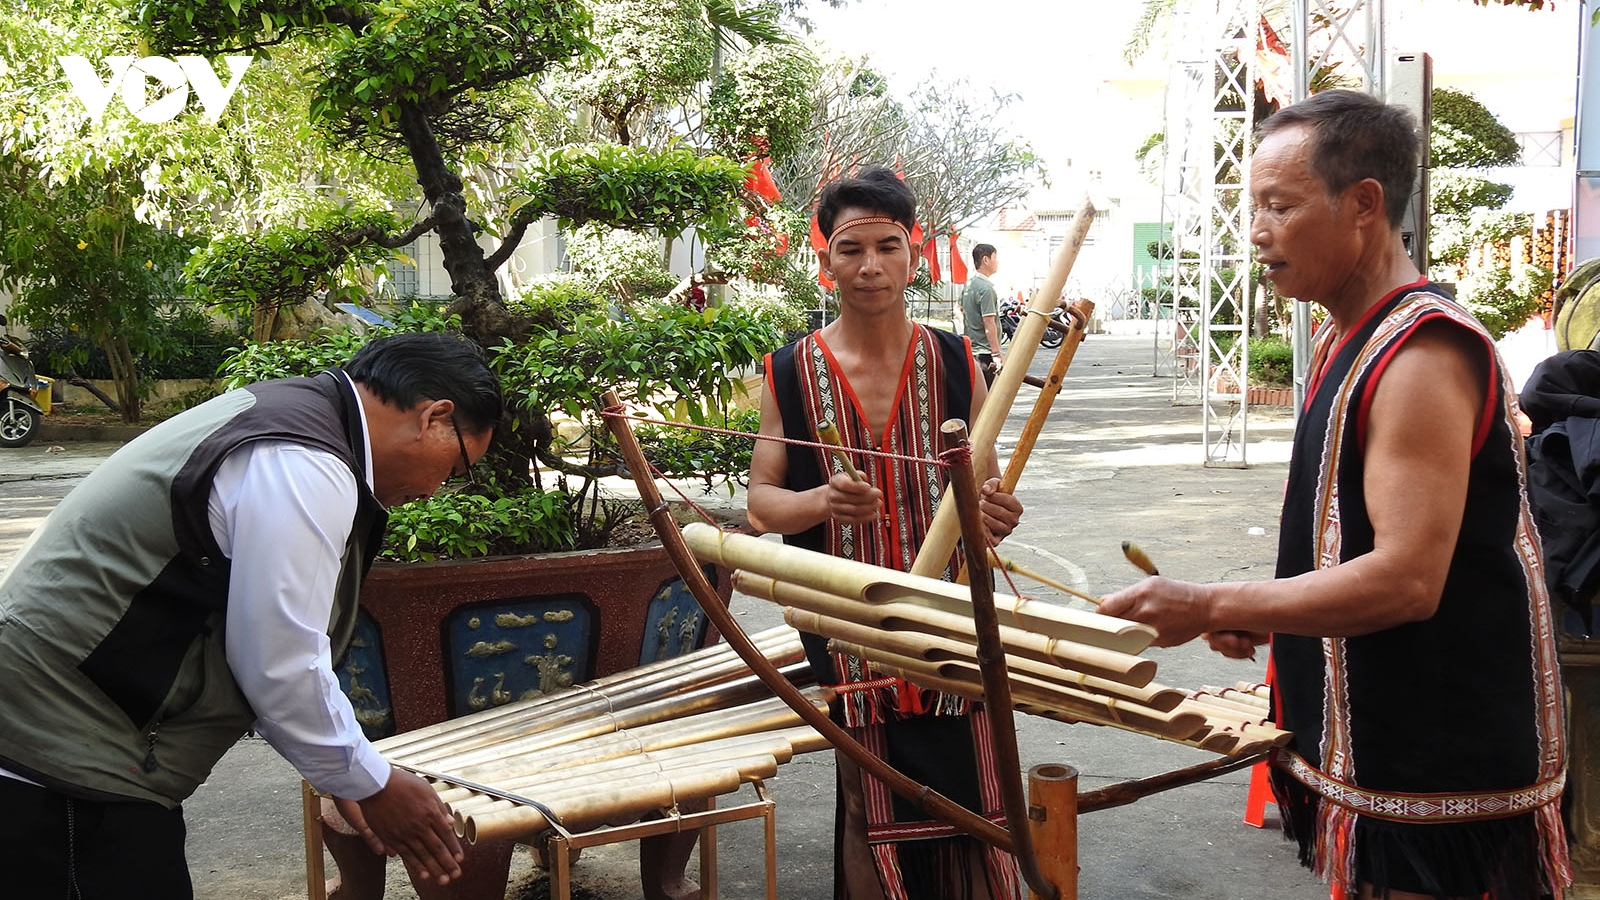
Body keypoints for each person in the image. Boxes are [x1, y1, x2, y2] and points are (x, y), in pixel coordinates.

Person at [1099, 89, 1570, 900]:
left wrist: (1211, 601)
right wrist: (1268, 607)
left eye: (1279, 206)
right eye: (1254, 207)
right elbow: (1349, 538)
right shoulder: (1344, 336)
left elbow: (1408, 580)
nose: (1256, 231)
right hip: (1387, 736)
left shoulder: (1419, 355)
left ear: (1364, 204)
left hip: (1439, 755)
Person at [0, 331, 501, 898]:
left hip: (70, 731)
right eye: (455, 468)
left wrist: (345, 774)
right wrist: (372, 782)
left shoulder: (296, 417)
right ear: (434, 417)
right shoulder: (305, 463)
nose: (437, 489)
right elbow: (279, 663)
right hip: (58, 745)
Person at [748, 167, 1025, 900]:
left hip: (951, 616)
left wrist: (994, 517)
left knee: (976, 791)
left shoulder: (959, 362)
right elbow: (761, 507)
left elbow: (987, 494)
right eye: (851, 249)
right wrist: (821, 502)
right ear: (826, 262)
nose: (870, 265)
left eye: (887, 246)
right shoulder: (789, 371)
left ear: (914, 255)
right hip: (846, 622)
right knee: (866, 792)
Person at [960, 243, 1003, 385]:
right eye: (995, 257)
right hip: (985, 353)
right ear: (986, 260)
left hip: (972, 351)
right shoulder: (986, 288)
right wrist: (996, 353)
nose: (997, 261)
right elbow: (989, 322)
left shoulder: (969, 284)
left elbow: (958, 309)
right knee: (988, 395)